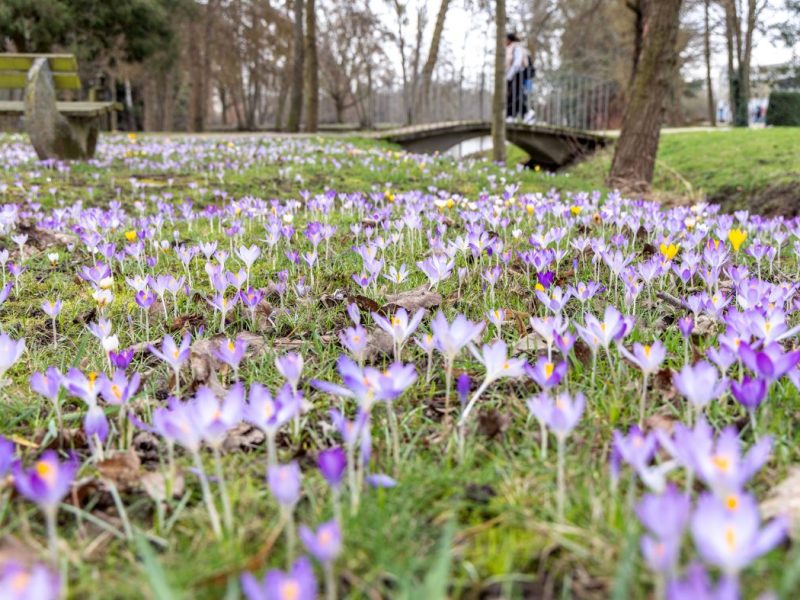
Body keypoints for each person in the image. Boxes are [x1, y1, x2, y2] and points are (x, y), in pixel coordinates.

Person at [505, 33, 535, 124]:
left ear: (510, 39)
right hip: (515, 75)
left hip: (518, 75)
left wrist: (509, 76)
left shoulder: (516, 48)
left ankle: (526, 114)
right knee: (514, 96)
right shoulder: (511, 48)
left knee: (516, 96)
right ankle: (513, 116)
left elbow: (517, 63)